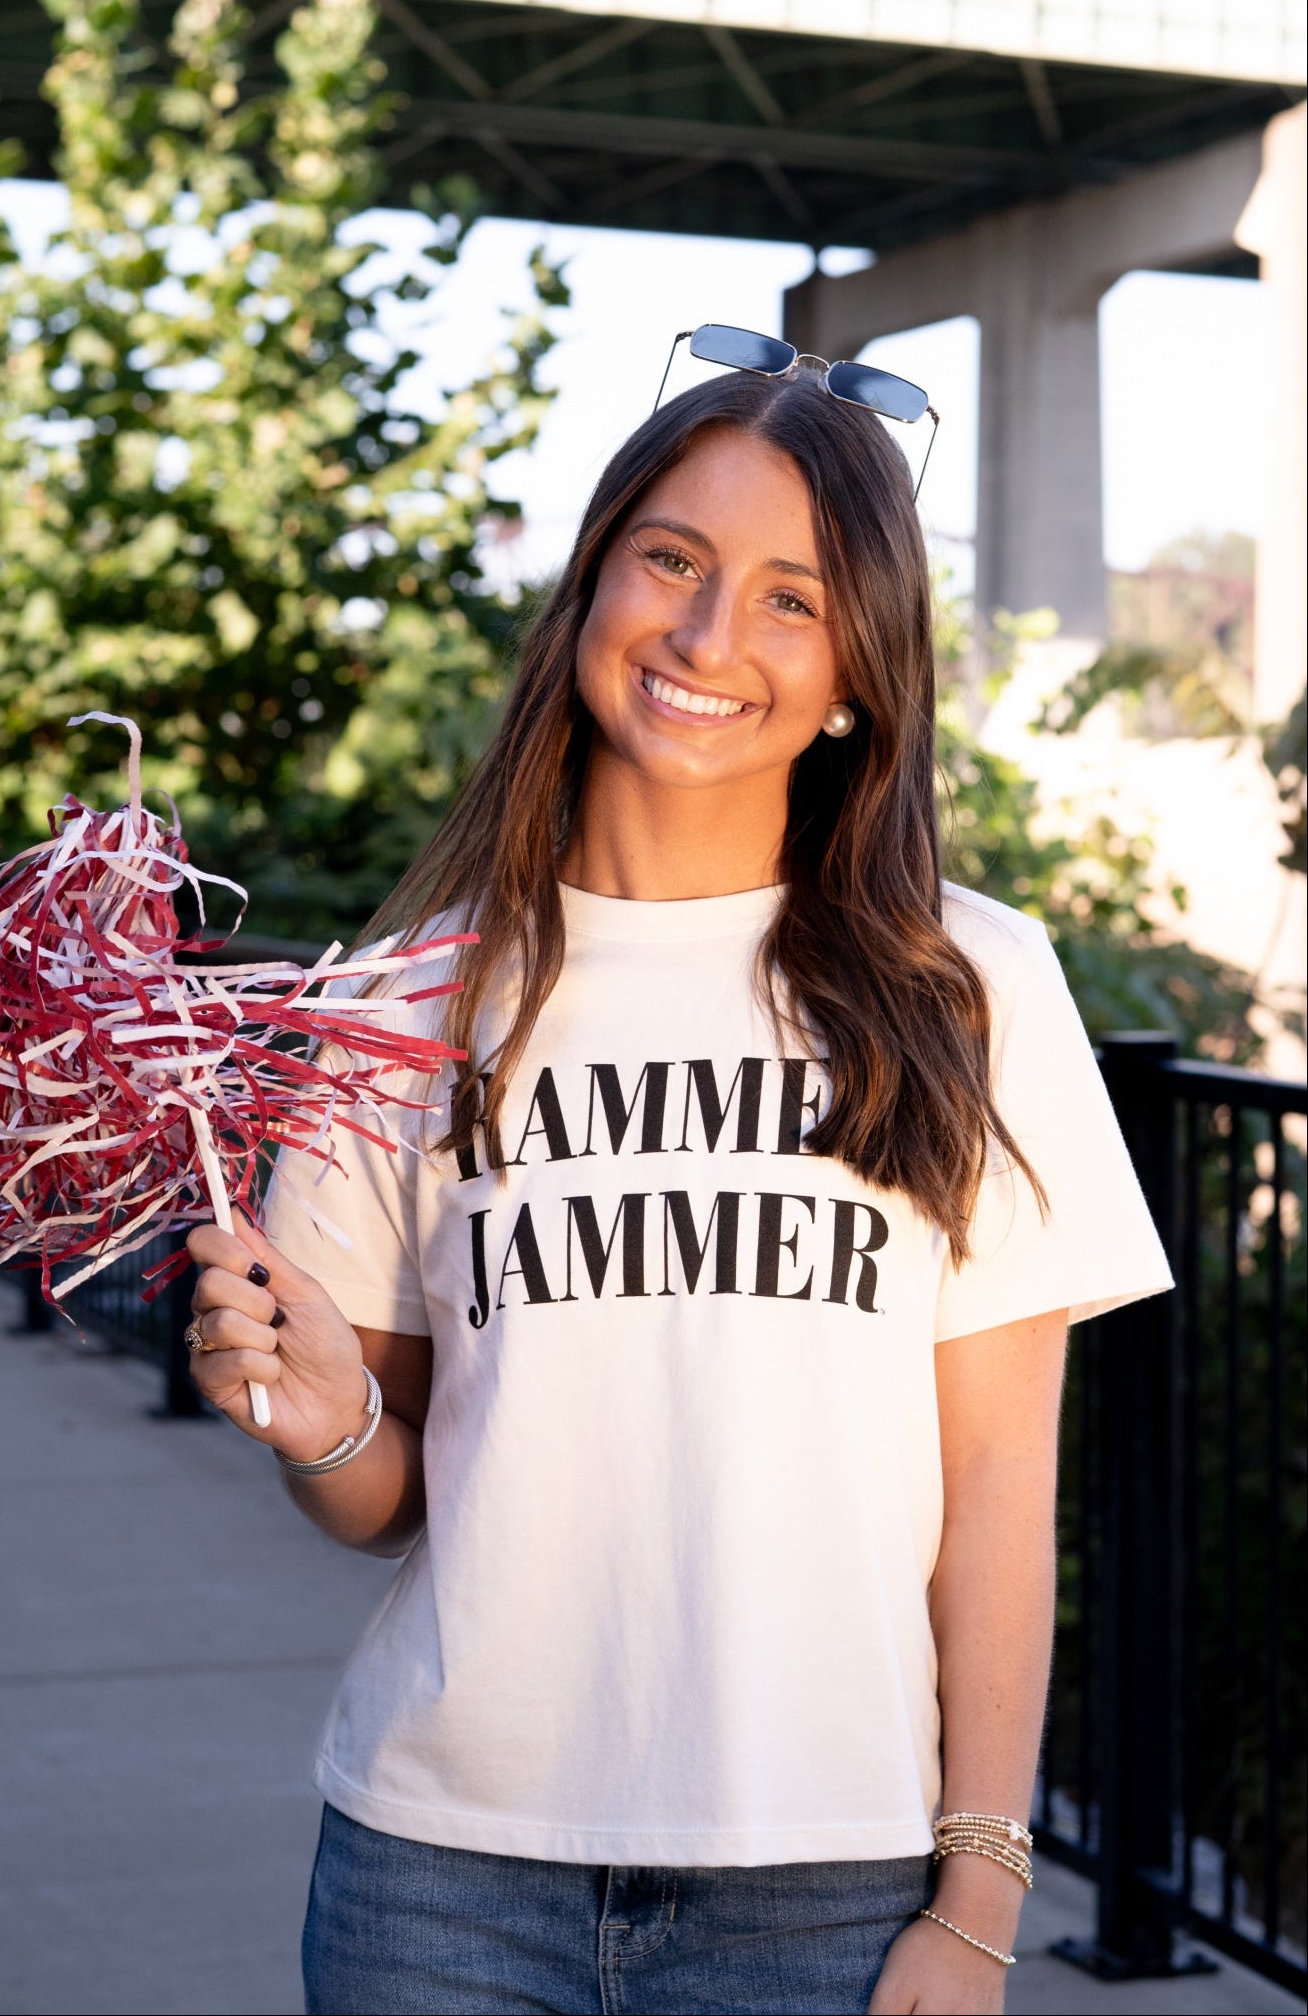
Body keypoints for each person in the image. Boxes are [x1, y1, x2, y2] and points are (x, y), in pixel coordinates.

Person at [184, 348, 1172, 2016]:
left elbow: (999, 1487)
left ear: (860, 670)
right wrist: (321, 1420)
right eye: (671, 561)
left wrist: (977, 1892)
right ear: (590, 589)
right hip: (437, 1882)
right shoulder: (400, 1003)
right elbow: (387, 1505)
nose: (710, 640)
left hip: (824, 1892)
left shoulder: (969, 987)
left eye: (792, 598)